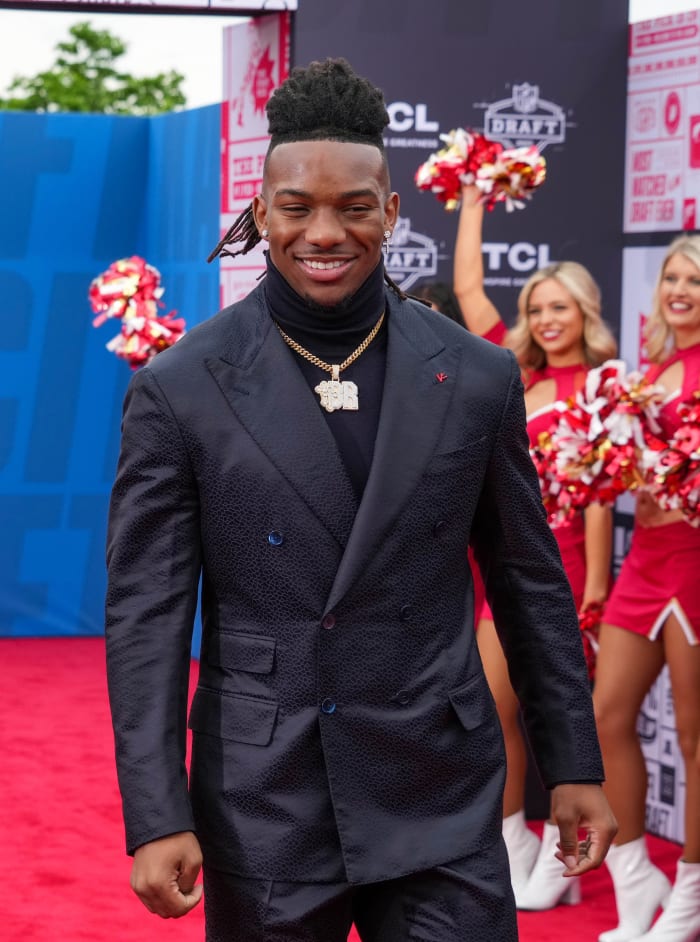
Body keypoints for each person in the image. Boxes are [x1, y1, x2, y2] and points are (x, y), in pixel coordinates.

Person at [104, 58, 616, 942]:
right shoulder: (180, 388)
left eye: (353, 206)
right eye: (298, 208)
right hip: (264, 797)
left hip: (440, 786)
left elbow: (529, 582)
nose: (325, 231)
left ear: (391, 210)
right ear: (261, 214)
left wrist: (573, 761)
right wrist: (156, 811)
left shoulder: (478, 376)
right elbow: (147, 617)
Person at [452, 185, 618, 910]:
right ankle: (517, 842)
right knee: (493, 710)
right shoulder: (514, 377)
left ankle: (561, 857)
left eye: (561, 307)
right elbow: (465, 287)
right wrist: (471, 193)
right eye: (537, 309)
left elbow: (603, 494)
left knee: (564, 715)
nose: (547, 320)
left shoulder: (607, 387)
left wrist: (596, 586)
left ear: (586, 312)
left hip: (573, 571)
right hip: (507, 565)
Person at [592, 235, 700, 942]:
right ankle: (636, 876)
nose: (679, 289)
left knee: (695, 736)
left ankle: (691, 892)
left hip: (695, 561)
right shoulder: (652, 370)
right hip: (646, 562)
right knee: (603, 717)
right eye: (671, 277)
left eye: (694, 279)